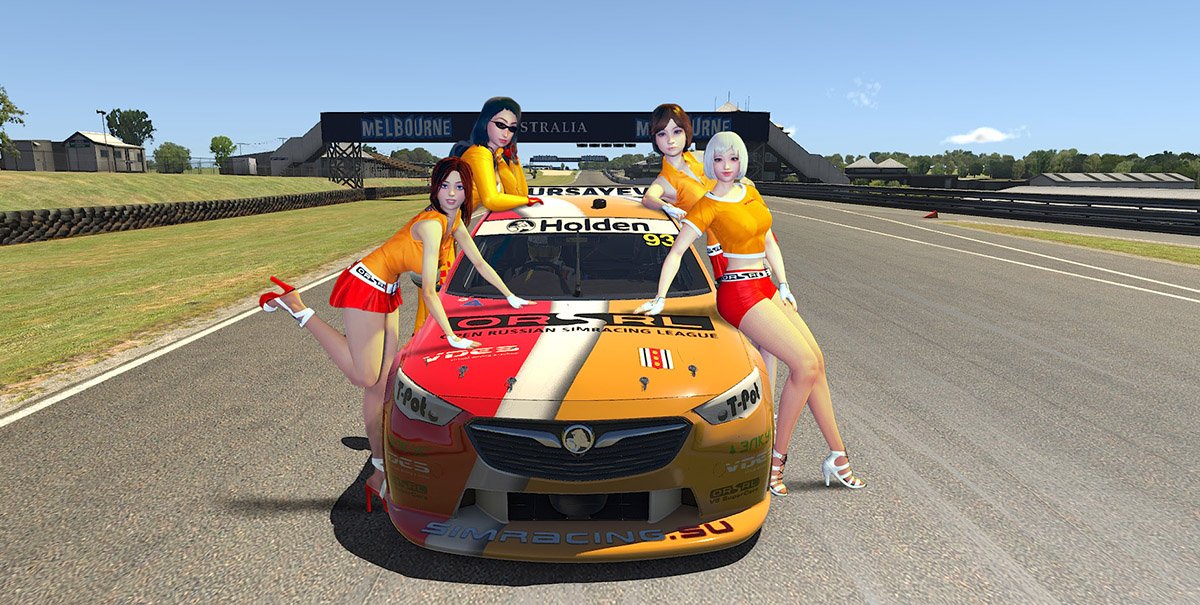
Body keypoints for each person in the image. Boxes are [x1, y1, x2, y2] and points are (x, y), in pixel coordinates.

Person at [258, 157, 533, 511]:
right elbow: (429, 291)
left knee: (383, 382)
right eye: (445, 186)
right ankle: (297, 307)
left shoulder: (453, 223)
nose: (451, 194)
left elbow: (479, 262)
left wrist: (510, 296)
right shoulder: (432, 226)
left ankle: (378, 472)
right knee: (364, 376)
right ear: (435, 188)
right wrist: (451, 336)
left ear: (468, 191)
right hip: (366, 284)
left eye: (459, 187)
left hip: (387, 288)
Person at [636, 131, 865, 495]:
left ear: (741, 160)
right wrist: (660, 297)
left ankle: (837, 456)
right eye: (718, 160)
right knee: (804, 365)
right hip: (738, 292)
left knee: (817, 363)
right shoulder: (708, 205)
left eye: (732, 159)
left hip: (766, 285)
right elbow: (677, 252)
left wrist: (784, 284)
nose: (726, 166)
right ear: (709, 163)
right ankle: (775, 462)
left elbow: (769, 240)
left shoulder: (752, 192)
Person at [640, 103, 728, 281]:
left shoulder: (703, 157)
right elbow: (648, 198)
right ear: (655, 139)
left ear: (686, 132)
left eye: (677, 131)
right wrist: (667, 207)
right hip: (723, 249)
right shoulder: (664, 181)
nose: (670, 140)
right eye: (662, 134)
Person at [457, 96, 543, 212]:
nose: (506, 134)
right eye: (501, 125)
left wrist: (513, 159)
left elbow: (519, 194)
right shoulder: (479, 153)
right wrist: (527, 201)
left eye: (512, 128)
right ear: (485, 121)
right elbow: (491, 201)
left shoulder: (497, 156)